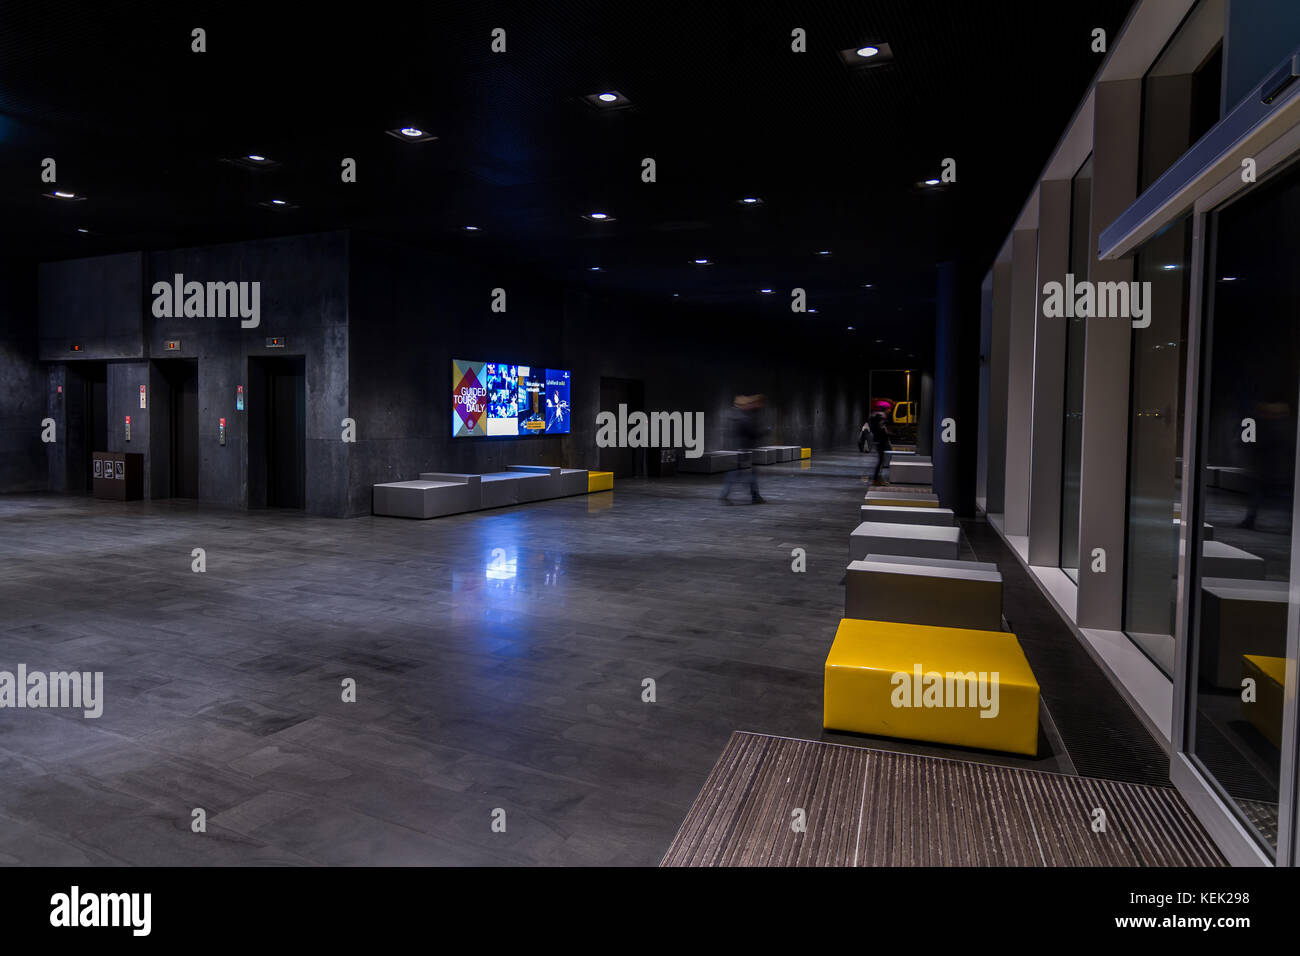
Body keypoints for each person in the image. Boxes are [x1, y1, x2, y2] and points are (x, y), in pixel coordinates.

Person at [721, 394, 766, 504]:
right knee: (748, 474)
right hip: (743, 449)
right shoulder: (743, 417)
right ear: (742, 405)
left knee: (735, 473)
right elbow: (752, 434)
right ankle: (754, 495)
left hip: (736, 449)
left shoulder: (733, 415)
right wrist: (764, 431)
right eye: (746, 404)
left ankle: (726, 493)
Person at [868, 411, 892, 485]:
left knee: (881, 463)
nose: (884, 420)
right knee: (880, 462)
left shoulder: (877, 427)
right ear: (879, 420)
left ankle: (877, 479)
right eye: (882, 419)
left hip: (880, 444)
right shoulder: (878, 428)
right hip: (880, 444)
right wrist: (885, 431)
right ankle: (876, 480)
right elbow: (883, 436)